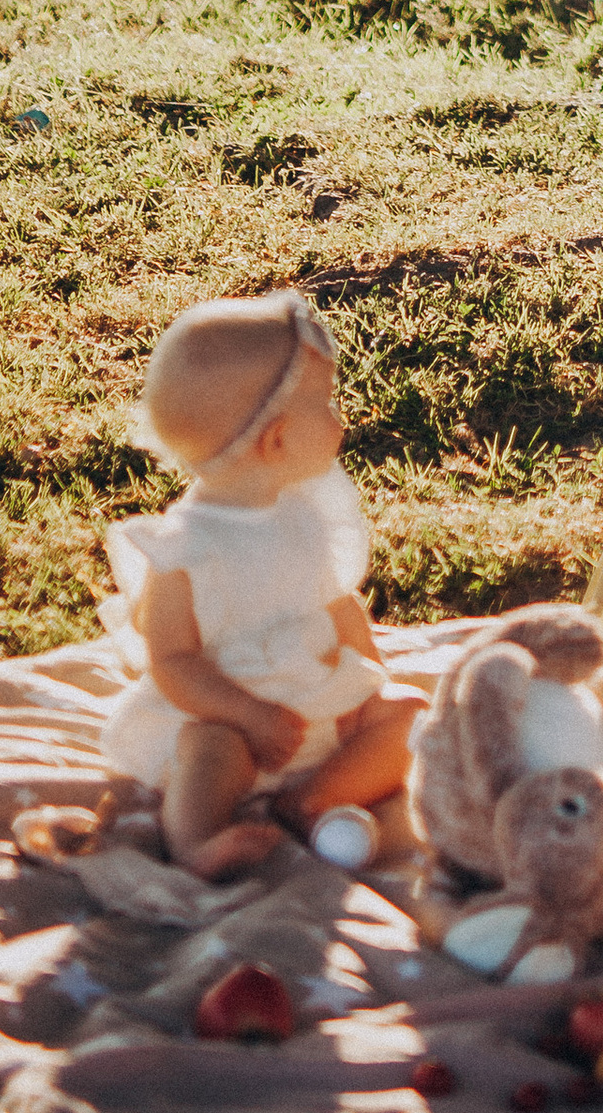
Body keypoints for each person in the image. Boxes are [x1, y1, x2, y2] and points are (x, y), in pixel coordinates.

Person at [99, 289, 425, 873]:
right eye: (325, 405)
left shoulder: (303, 512)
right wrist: (249, 715)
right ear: (275, 440)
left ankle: (312, 798)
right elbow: (173, 661)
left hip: (319, 704)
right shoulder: (185, 548)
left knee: (409, 718)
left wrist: (370, 683)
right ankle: (198, 841)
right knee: (206, 751)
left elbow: (335, 602)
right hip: (234, 716)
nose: (340, 420)